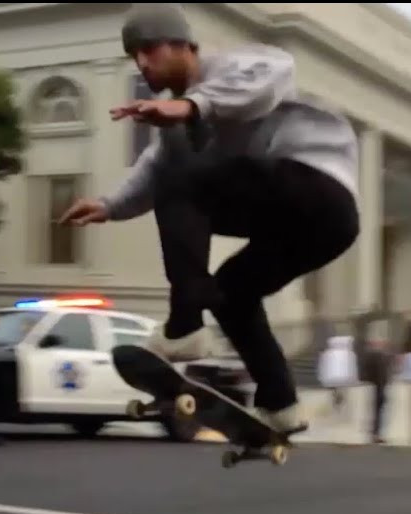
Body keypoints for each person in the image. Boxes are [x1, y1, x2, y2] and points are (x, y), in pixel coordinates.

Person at [57, 4, 359, 434]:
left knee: (185, 180)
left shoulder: (227, 66)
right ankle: (280, 404)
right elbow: (154, 170)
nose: (142, 64)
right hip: (311, 228)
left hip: (315, 185)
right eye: (134, 57)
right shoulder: (176, 125)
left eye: (150, 49)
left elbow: (275, 73)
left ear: (183, 44)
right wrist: (109, 206)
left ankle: (184, 325)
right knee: (232, 293)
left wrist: (193, 105)